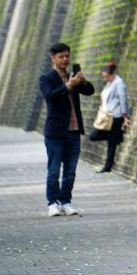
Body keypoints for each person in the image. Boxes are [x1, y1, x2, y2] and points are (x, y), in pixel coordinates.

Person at [38, 42, 95, 216]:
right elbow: (50, 96)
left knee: (70, 172)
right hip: (55, 132)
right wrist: (68, 86)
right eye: (61, 56)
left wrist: (82, 81)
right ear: (53, 58)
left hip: (74, 131)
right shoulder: (46, 78)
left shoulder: (72, 76)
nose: (65, 59)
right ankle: (52, 203)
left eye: (67, 56)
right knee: (54, 171)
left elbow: (90, 91)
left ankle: (65, 202)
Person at [96, 61, 131, 173]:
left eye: (106, 76)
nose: (105, 79)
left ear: (112, 74)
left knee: (111, 144)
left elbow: (123, 100)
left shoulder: (119, 83)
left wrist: (125, 115)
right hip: (107, 116)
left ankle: (107, 166)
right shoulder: (110, 83)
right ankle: (117, 137)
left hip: (116, 117)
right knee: (94, 136)